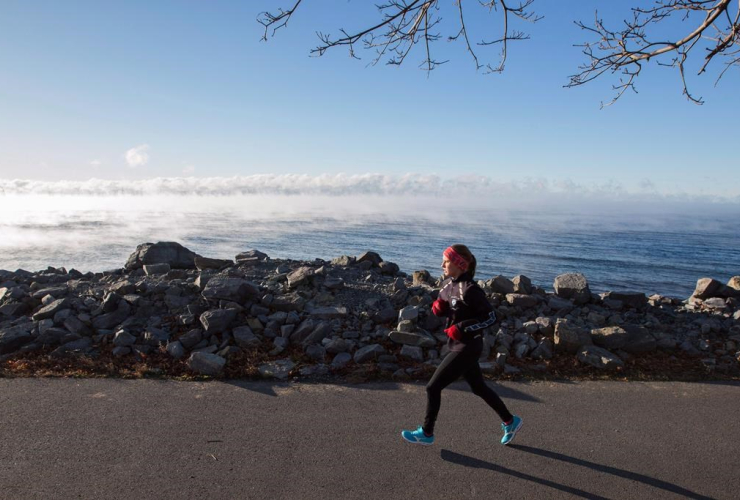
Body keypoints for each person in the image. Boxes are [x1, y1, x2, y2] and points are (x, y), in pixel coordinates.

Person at [401, 244, 522, 446]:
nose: (442, 265)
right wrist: (438, 308)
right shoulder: (449, 286)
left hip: (468, 346)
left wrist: (463, 327)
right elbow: (445, 307)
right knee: (479, 388)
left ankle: (427, 432)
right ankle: (510, 421)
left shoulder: (471, 290)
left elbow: (490, 317)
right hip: (457, 345)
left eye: (446, 261)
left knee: (433, 387)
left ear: (460, 264)